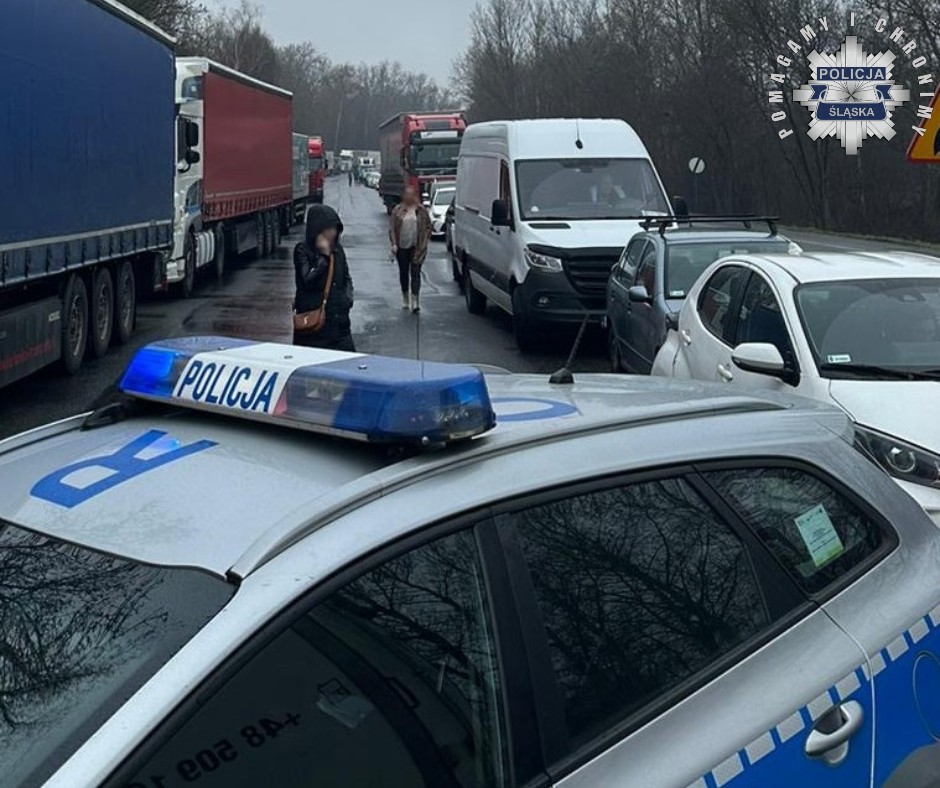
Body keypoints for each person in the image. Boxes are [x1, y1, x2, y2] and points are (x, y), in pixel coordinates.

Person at [293, 204, 355, 351]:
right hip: (314, 324)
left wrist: (347, 299)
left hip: (340, 324)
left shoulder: (338, 250)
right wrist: (324, 257)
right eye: (329, 229)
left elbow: (346, 277)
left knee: (349, 358)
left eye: (335, 229)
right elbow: (307, 280)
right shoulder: (303, 250)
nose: (333, 233)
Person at [389, 186, 431, 313]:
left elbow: (428, 226)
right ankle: (405, 297)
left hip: (417, 247)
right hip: (402, 247)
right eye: (407, 194)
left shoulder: (421, 210)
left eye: (411, 194)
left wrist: (425, 240)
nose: (409, 197)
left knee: (416, 273)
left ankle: (415, 301)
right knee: (404, 273)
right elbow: (392, 228)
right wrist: (394, 244)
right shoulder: (398, 210)